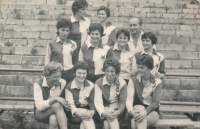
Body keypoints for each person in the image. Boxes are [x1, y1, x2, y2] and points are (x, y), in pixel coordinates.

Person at [126, 54, 162, 129]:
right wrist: (132, 112)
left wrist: (145, 111)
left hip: (152, 110)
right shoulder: (133, 80)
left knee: (135, 122)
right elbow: (129, 99)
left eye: (142, 68)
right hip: (136, 110)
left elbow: (155, 102)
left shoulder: (157, 82)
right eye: (138, 67)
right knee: (139, 117)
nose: (139, 70)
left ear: (149, 68)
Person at [34, 62, 69, 129]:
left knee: (53, 118)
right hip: (41, 113)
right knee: (56, 105)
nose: (58, 79)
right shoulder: (38, 84)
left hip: (57, 112)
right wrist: (55, 99)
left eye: (59, 76)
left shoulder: (62, 82)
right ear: (47, 76)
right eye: (55, 77)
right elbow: (39, 106)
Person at [94, 58, 127, 129]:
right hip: (102, 110)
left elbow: (122, 102)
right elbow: (98, 102)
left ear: (116, 72)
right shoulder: (99, 82)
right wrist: (103, 113)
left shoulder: (122, 83)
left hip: (117, 111)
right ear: (104, 71)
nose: (109, 74)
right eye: (107, 71)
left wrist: (118, 112)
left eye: (112, 71)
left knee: (107, 124)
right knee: (110, 112)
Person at [45, 18, 78, 84]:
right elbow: (47, 60)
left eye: (67, 31)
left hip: (69, 74)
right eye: (62, 30)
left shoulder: (73, 44)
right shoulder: (51, 43)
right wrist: (47, 74)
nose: (65, 33)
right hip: (55, 73)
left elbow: (75, 61)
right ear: (58, 29)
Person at [65, 61, 95, 129]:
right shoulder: (69, 87)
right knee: (86, 118)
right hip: (74, 112)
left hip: (88, 110)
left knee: (85, 120)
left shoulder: (91, 85)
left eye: (84, 73)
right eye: (79, 73)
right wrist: (80, 114)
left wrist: (92, 112)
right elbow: (71, 104)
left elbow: (92, 102)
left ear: (87, 73)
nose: (82, 76)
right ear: (75, 73)